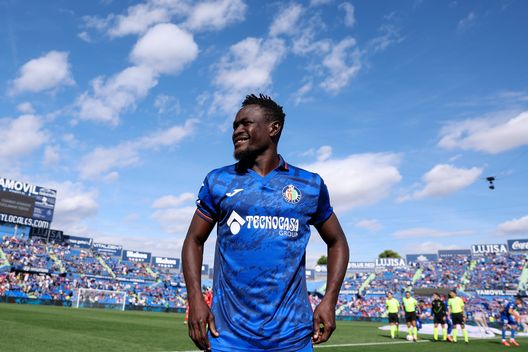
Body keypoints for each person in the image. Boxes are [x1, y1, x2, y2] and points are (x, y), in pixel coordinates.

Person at [181, 94, 350, 352]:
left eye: (246, 123)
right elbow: (194, 240)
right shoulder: (219, 181)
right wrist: (195, 299)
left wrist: (329, 299)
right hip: (229, 336)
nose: (237, 131)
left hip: (292, 338)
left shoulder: (309, 185)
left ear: (273, 128)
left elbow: (337, 241)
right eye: (235, 126)